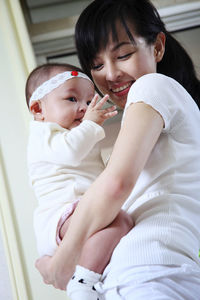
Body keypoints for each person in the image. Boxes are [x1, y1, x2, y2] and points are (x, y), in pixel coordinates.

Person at [35, 1, 200, 299]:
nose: (110, 75)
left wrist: (63, 259)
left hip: (149, 272)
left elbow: (116, 185)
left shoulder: (152, 86)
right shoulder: (164, 111)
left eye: (123, 55)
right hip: (142, 274)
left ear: (158, 47)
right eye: (96, 65)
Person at [26, 62, 133, 300]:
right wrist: (92, 125)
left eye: (88, 101)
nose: (84, 108)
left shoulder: (74, 136)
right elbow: (70, 153)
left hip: (79, 216)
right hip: (60, 216)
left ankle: (82, 277)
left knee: (121, 227)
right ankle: (83, 284)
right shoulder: (42, 134)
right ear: (38, 109)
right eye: (72, 99)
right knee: (122, 221)